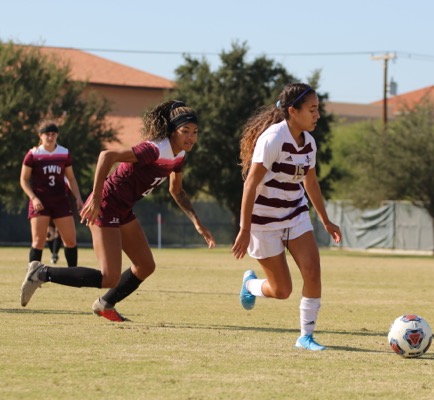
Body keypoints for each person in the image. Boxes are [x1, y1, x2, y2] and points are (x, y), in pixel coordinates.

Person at [21, 100, 217, 321]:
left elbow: (177, 190)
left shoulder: (179, 155)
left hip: (123, 208)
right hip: (106, 204)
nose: (191, 137)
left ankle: (105, 304)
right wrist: (95, 198)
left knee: (145, 266)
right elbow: (107, 156)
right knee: (109, 277)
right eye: (185, 131)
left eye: (195, 132)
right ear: (172, 131)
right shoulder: (154, 149)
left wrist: (197, 222)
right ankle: (41, 273)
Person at [231, 83, 342, 351]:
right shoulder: (273, 139)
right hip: (263, 221)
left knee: (313, 272)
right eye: (312, 110)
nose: (317, 115)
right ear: (293, 111)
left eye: (318, 109)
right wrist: (245, 228)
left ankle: (306, 337)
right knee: (282, 291)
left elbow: (310, 183)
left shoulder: (310, 143)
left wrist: (325, 220)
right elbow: (250, 184)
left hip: (295, 214)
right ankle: (252, 285)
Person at [20, 121, 84, 268]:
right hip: (40, 201)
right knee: (38, 242)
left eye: (53, 134)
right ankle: (32, 277)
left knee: (71, 241)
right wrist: (33, 198)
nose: (50, 137)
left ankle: (72, 274)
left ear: (57, 135)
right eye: (47, 134)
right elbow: (23, 180)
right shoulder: (33, 154)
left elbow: (71, 178)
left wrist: (78, 198)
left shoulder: (64, 153)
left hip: (60, 200)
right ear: (40, 136)